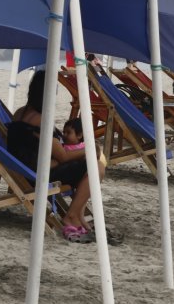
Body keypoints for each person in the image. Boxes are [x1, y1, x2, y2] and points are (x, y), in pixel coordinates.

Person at [8, 70, 108, 243]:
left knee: (89, 165)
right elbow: (62, 156)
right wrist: (91, 149)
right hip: (38, 174)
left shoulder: (20, 113)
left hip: (25, 169)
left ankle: (77, 216)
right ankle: (71, 216)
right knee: (96, 167)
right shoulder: (40, 119)